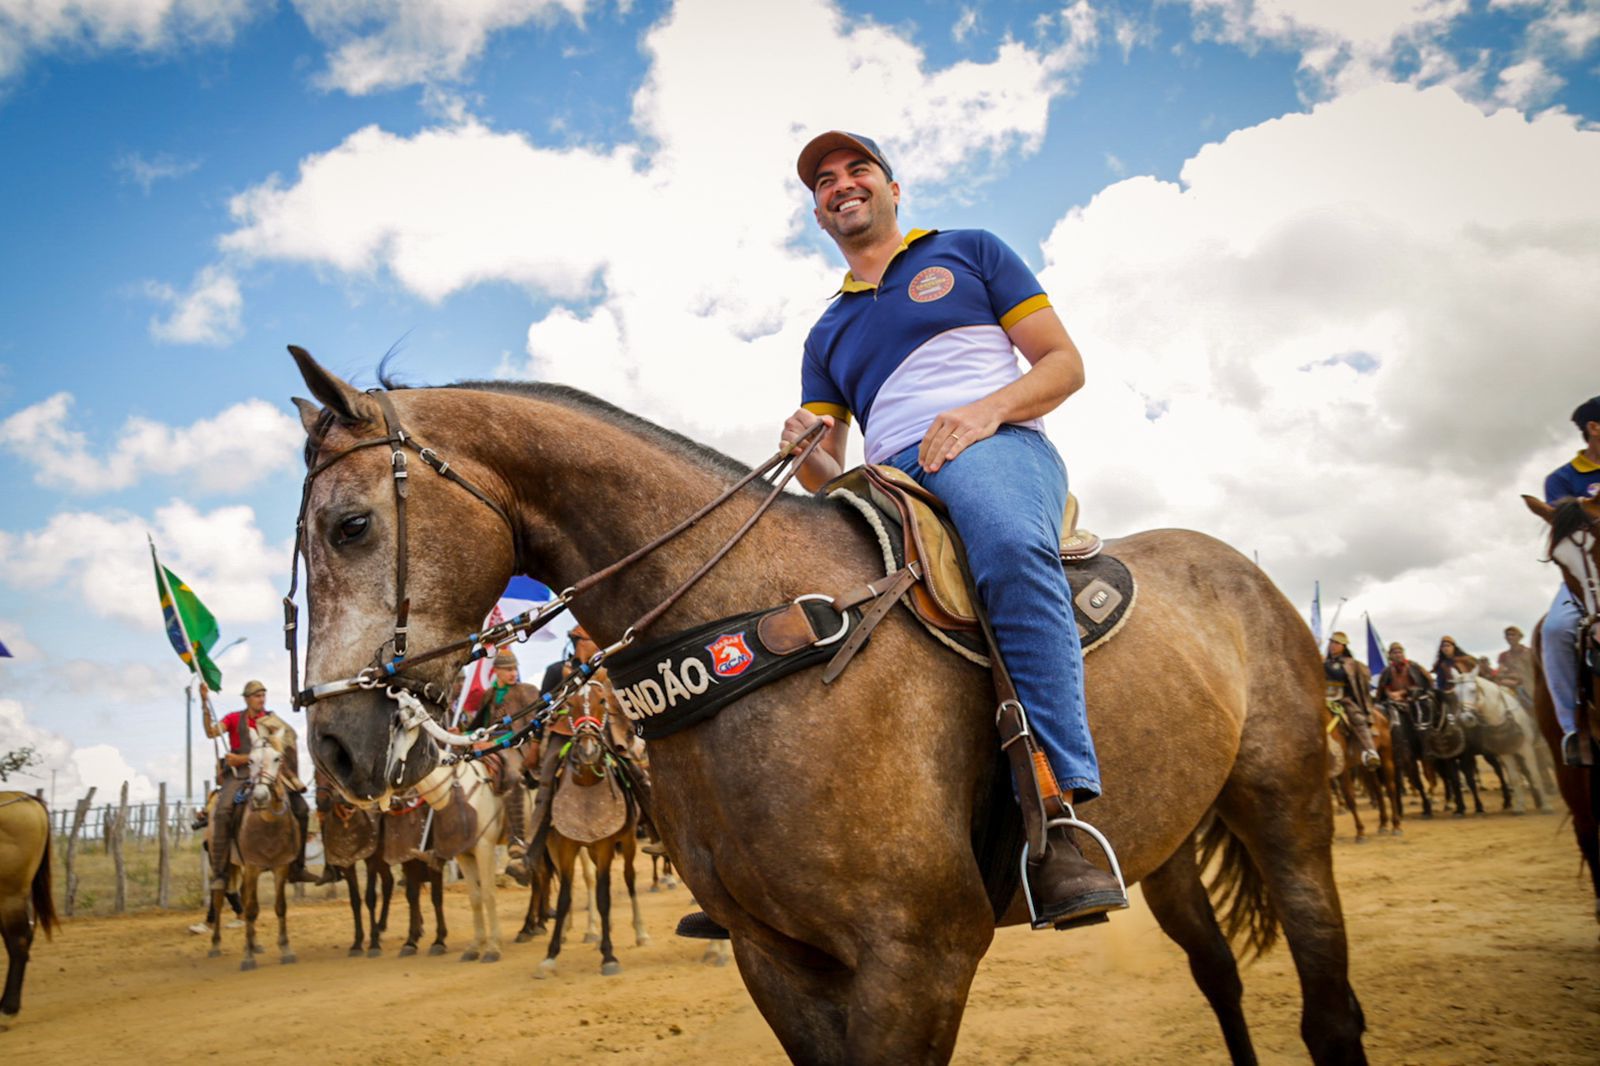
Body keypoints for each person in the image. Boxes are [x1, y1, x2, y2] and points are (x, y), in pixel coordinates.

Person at [776, 130, 1125, 929]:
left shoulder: (971, 251)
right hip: (886, 476)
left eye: (856, 169)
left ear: (893, 188)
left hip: (994, 444)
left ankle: (1060, 809)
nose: (841, 185)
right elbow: (825, 470)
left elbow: (1063, 364)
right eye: (824, 183)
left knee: (1005, 548)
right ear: (822, 216)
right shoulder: (826, 331)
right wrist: (805, 450)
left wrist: (979, 414)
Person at [202, 680, 323, 887]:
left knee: (301, 809)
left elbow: (285, 744)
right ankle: (221, 873)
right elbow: (212, 732)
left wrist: (243, 758)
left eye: (263, 695)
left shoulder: (273, 722)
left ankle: (297, 867)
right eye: (257, 696)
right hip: (240, 775)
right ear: (247, 699)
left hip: (270, 773)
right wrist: (205, 704)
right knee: (222, 811)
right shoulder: (233, 719)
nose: (261, 699)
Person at [1540, 394, 1600, 765]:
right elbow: (1565, 533)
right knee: (1555, 630)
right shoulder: (1562, 479)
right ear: (1594, 428)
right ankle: (1572, 730)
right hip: (1587, 580)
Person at [1325, 632, 1381, 769]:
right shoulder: (1324, 662)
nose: (1333, 645)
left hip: (1342, 697)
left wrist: (1322, 664)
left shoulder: (1349, 663)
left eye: (1336, 643)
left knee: (1357, 718)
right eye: (1331, 642)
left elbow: (1338, 673)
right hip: (1323, 697)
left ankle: (1370, 752)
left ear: (1343, 646)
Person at [1375, 642, 1432, 708]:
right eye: (1395, 653)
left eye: (1400, 652)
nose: (1398, 655)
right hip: (1393, 703)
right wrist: (1390, 695)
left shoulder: (1413, 667)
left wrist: (1402, 693)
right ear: (1390, 655)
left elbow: (1423, 685)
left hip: (1414, 701)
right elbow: (1383, 689)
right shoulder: (1387, 671)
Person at [1496, 626, 1535, 710]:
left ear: (1520, 636)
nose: (1510, 637)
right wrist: (1511, 677)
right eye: (1508, 635)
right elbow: (1499, 675)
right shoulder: (1504, 656)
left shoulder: (1530, 652)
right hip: (1514, 687)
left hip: (1532, 686)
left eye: (1513, 635)